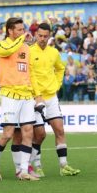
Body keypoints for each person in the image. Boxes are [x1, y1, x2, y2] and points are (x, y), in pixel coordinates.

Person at [0, 18, 38, 182]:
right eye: (19, 30)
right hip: (10, 95)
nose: (22, 32)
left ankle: (23, 170)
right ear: (10, 31)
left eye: (23, 29)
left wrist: (36, 94)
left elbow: (30, 72)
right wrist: (23, 39)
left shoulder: (26, 48)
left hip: (26, 95)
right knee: (8, 133)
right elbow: (10, 49)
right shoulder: (0, 45)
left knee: (28, 132)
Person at [29, 23, 81, 178]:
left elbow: (60, 68)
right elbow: (28, 75)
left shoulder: (54, 52)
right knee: (40, 134)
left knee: (60, 130)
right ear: (36, 35)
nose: (42, 39)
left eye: (45, 36)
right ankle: (36, 165)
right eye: (40, 35)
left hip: (51, 97)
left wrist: (57, 84)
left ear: (49, 36)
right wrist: (36, 94)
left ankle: (64, 166)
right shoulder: (29, 51)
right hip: (35, 98)